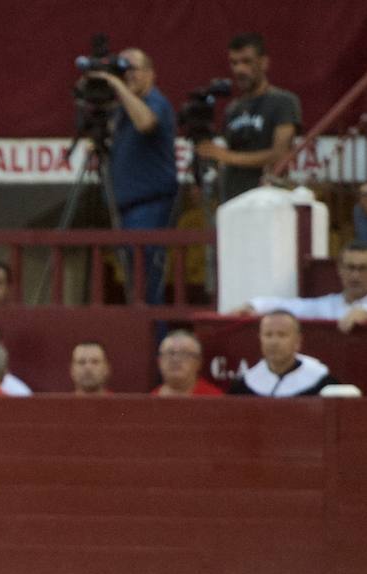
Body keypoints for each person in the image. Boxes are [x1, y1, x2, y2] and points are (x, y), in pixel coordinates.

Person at [87, 47, 177, 305]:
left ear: (150, 73)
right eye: (122, 70)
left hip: (150, 204)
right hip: (126, 207)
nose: (127, 76)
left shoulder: (155, 101)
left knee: (147, 281)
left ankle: (154, 341)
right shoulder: (122, 110)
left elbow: (146, 123)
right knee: (134, 285)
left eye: (132, 70)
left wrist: (116, 84)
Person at [196, 33, 301, 204]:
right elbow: (226, 152)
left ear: (264, 62)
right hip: (232, 197)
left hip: (268, 199)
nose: (239, 70)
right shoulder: (232, 109)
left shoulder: (283, 102)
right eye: (234, 63)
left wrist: (226, 156)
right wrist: (210, 157)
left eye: (247, 61)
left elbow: (280, 153)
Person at [245, 242, 367, 333]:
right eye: (350, 267)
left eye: (363, 268)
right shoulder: (328, 305)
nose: (355, 275)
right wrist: (253, 306)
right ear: (339, 270)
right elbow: (293, 306)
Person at [228, 310, 337, 397]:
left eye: (282, 335)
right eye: (268, 335)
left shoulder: (323, 383)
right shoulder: (244, 386)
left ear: (297, 341)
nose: (274, 342)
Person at [151, 329, 223, 397]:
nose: (176, 359)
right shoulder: (150, 400)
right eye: (170, 353)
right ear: (159, 361)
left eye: (184, 353)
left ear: (198, 362)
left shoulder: (214, 398)